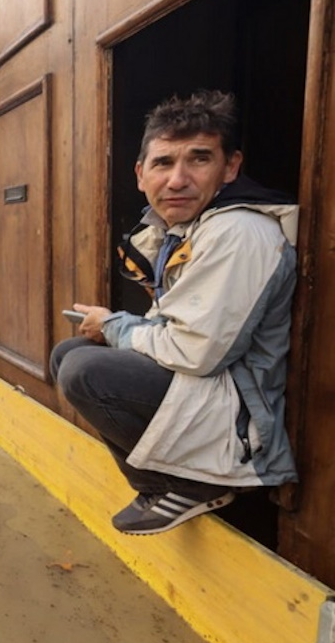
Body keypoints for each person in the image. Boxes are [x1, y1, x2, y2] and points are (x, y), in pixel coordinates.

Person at [49, 90, 298, 535]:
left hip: (240, 421)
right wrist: (117, 329)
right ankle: (167, 486)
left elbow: (195, 352)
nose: (178, 179)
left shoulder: (239, 232)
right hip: (209, 393)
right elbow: (182, 329)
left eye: (198, 160)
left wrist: (116, 326)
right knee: (68, 353)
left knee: (84, 370)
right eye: (163, 163)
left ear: (231, 167)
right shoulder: (185, 231)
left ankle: (188, 485)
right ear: (141, 174)